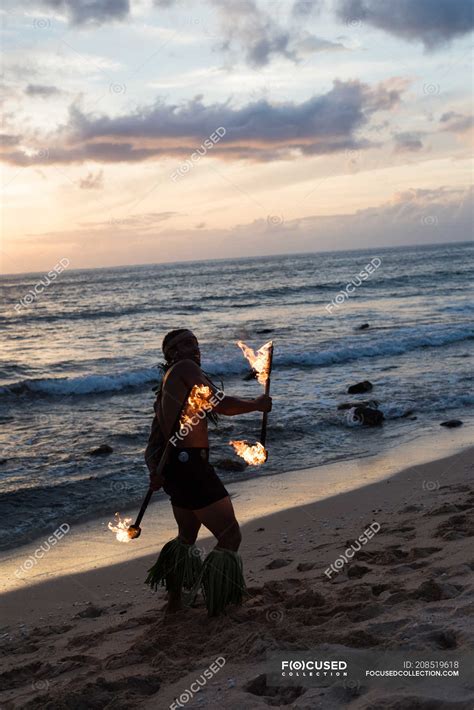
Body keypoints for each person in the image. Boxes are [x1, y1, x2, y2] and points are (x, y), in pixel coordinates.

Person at [144, 328, 272, 615]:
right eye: (185, 344)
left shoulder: (169, 382)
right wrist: (256, 404)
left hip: (178, 467)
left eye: (195, 343)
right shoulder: (185, 369)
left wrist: (155, 469)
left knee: (186, 540)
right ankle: (218, 602)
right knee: (230, 536)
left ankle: (175, 604)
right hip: (192, 468)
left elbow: (154, 439)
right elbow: (220, 404)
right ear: (172, 353)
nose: (194, 349)